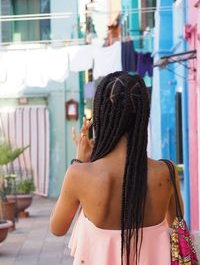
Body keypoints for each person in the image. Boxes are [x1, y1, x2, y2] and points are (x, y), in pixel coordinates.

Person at [50, 71, 184, 265]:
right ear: (143, 116)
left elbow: (57, 228)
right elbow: (175, 223)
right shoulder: (166, 171)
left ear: (101, 116)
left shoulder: (79, 174)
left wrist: (79, 161)